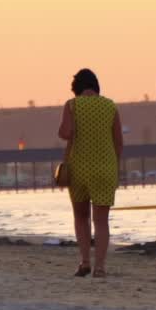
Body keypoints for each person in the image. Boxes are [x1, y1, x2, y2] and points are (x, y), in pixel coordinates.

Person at [57, 69, 122, 278]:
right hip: (105, 168)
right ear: (96, 86)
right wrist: (114, 165)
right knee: (101, 221)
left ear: (77, 88)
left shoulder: (72, 105)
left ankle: (85, 262)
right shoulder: (110, 106)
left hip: (79, 169)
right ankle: (100, 267)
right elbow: (118, 141)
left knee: (81, 216)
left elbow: (65, 133)